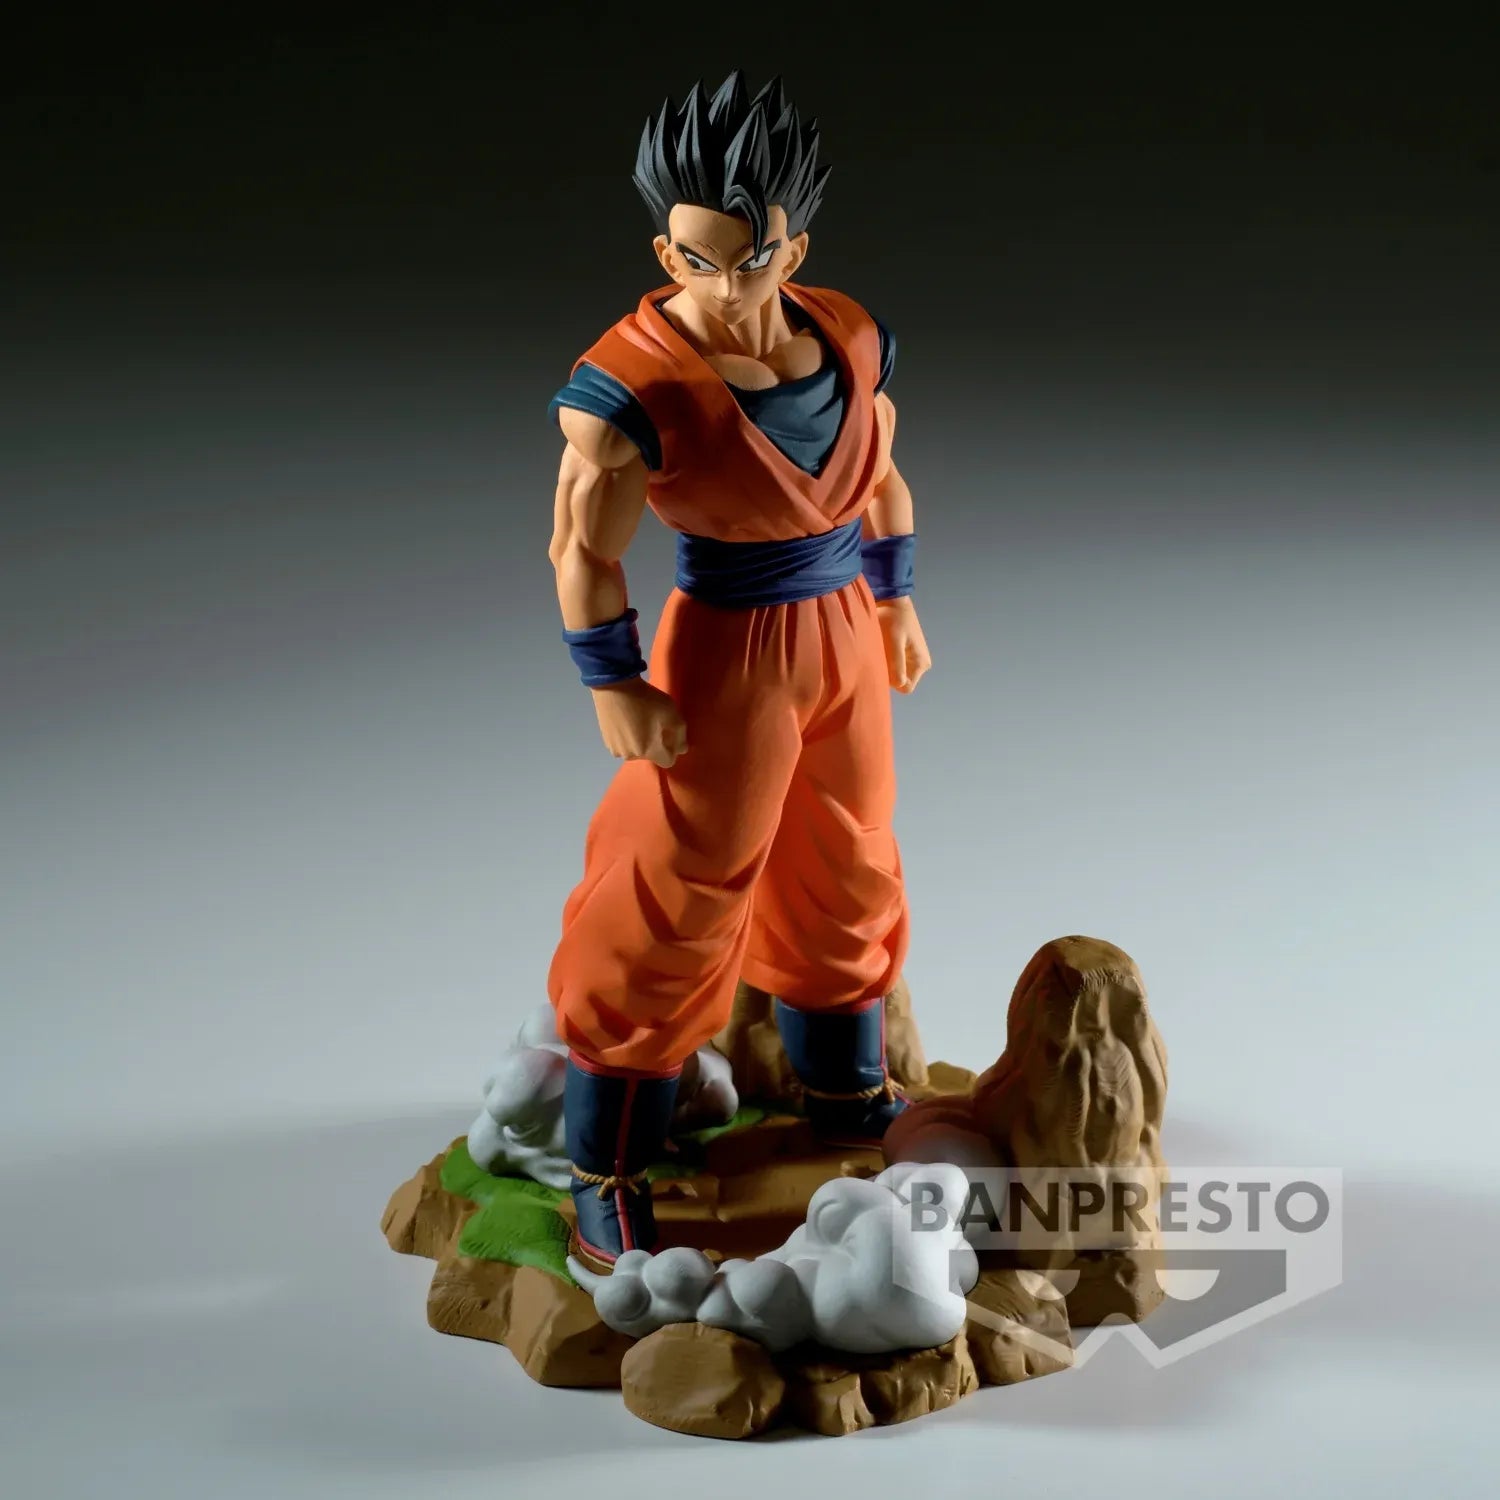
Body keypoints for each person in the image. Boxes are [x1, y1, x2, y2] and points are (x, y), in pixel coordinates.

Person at [545, 72, 932, 1272]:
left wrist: (896, 596)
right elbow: (579, 546)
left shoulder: (849, 338)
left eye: (748, 259)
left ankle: (844, 1092)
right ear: (666, 251)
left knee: (850, 852)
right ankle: (607, 1157)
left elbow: (879, 474)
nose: (722, 285)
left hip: (843, 623)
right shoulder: (637, 385)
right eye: (696, 260)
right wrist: (613, 679)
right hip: (725, 646)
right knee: (676, 883)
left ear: (791, 250)